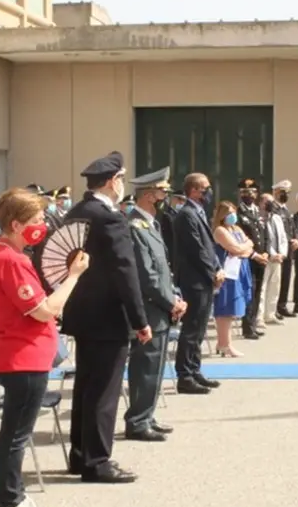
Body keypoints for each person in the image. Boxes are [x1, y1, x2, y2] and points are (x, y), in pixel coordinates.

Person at [0, 187, 88, 507]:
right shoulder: (9, 260)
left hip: (25, 355)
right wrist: (73, 276)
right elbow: (45, 310)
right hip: (20, 357)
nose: (42, 226)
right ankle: (9, 502)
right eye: (37, 220)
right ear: (16, 224)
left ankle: (16, 496)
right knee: (15, 435)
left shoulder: (9, 256)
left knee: (18, 432)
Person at [60, 151, 151, 483]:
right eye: (121, 180)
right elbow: (125, 271)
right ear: (113, 182)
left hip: (82, 313)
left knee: (87, 385)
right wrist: (140, 319)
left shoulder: (77, 211)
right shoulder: (110, 218)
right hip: (109, 316)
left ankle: (80, 454)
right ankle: (97, 461)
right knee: (104, 390)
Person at [123, 168, 184, 441]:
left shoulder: (150, 223)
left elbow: (163, 270)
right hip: (150, 307)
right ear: (149, 195)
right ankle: (137, 421)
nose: (165, 197)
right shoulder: (135, 226)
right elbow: (147, 276)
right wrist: (171, 302)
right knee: (145, 367)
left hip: (161, 305)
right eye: (162, 192)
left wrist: (175, 296)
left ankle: (146, 414)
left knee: (156, 366)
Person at [171, 172, 224, 394]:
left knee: (200, 328)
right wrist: (212, 272)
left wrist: (218, 268)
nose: (208, 192)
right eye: (205, 188)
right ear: (194, 190)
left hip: (203, 278)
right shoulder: (186, 215)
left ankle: (194, 369)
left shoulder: (197, 212)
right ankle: (185, 375)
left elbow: (208, 247)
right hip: (194, 281)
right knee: (191, 329)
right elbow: (196, 250)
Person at [211, 201, 255, 356]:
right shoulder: (220, 230)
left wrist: (243, 248)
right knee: (226, 309)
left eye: (233, 212)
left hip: (240, 270)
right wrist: (243, 247)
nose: (232, 216)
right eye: (228, 213)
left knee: (235, 308)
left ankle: (223, 343)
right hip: (227, 273)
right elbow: (235, 249)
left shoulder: (236, 229)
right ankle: (224, 344)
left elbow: (250, 245)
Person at [235, 178, 268, 339]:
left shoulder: (258, 212)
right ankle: (247, 327)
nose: (250, 195)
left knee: (258, 292)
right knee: (250, 291)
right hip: (248, 259)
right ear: (241, 194)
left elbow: (265, 235)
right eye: (246, 193)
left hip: (261, 259)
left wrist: (266, 253)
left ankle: (253, 323)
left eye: (253, 192)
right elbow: (239, 238)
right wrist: (255, 255)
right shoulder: (238, 213)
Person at [261, 193, 288, 326]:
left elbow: (283, 237)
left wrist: (282, 253)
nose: (271, 204)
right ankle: (259, 317)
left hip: (278, 258)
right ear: (261, 203)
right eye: (268, 202)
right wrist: (272, 254)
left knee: (275, 286)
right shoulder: (260, 218)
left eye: (272, 202)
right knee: (262, 288)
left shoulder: (277, 218)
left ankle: (270, 314)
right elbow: (264, 240)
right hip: (266, 257)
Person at [272, 180, 298, 318]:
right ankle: (274, 307)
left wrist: (296, 239)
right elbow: (278, 231)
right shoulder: (273, 209)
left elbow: (292, 227)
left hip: (289, 249)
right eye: (283, 193)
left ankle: (282, 305)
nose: (285, 195)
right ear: (276, 192)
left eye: (287, 193)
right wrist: (289, 240)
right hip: (279, 249)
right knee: (278, 279)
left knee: (286, 278)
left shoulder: (285, 209)